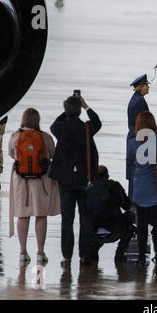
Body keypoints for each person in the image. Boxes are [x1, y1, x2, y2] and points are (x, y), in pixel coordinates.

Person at [49, 95, 102, 266]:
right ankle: (85, 255)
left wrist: (66, 112)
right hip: (83, 180)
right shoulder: (86, 128)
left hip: (65, 181)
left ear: (66, 111)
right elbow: (98, 122)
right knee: (85, 219)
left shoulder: (60, 129)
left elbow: (53, 125)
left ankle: (67, 256)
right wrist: (87, 107)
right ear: (80, 110)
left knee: (67, 219)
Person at [8, 108, 60, 264]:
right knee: (40, 214)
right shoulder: (45, 137)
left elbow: (12, 154)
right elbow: (53, 153)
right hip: (41, 179)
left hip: (20, 178)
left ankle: (23, 252)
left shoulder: (15, 137)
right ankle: (40, 252)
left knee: (23, 215)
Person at [127, 111, 157, 265]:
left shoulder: (132, 143)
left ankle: (140, 256)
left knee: (142, 225)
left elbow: (130, 167)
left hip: (141, 190)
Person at [88, 166, 135, 263]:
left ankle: (92, 254)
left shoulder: (88, 188)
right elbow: (127, 205)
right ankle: (119, 256)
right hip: (115, 229)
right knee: (130, 217)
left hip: (93, 231)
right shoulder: (115, 186)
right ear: (108, 176)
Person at [126, 74, 150, 199]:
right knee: (139, 172)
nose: (148, 88)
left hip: (133, 137)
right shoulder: (139, 101)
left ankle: (132, 201)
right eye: (146, 85)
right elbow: (144, 123)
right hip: (138, 138)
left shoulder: (135, 99)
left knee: (133, 173)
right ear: (141, 87)